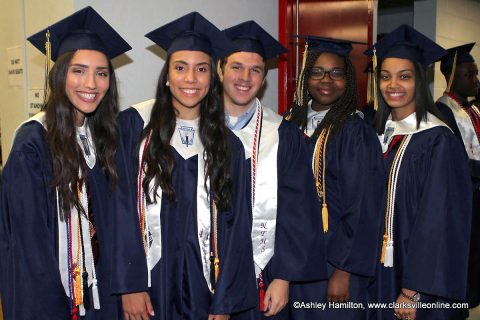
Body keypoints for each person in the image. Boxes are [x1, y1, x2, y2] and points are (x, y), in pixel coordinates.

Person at [0, 6, 148, 320]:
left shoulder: (101, 138)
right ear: (60, 74)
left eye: (102, 73)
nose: (91, 83)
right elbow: (28, 253)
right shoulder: (33, 145)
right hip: (55, 303)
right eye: (78, 70)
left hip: (101, 298)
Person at [118, 12, 257, 320]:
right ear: (167, 76)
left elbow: (237, 229)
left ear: (213, 77)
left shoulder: (229, 146)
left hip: (204, 284)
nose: (191, 79)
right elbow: (120, 210)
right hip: (149, 282)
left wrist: (225, 301)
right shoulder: (134, 129)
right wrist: (130, 285)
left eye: (201, 69)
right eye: (180, 68)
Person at [217, 21, 327, 319]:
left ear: (264, 78)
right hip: (206, 267)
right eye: (236, 67)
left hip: (263, 274)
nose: (245, 77)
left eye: (255, 70)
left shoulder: (283, 134)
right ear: (220, 70)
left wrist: (284, 277)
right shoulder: (197, 130)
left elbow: (298, 210)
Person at [365, 24, 472, 320]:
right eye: (385, 77)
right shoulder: (379, 135)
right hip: (378, 272)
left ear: (420, 80)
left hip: (414, 280)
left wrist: (413, 291)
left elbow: (437, 222)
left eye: (404, 76)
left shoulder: (437, 139)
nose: (393, 85)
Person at [285, 35, 384, 320]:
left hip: (332, 259)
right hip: (293, 257)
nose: (326, 80)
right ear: (306, 77)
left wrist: (344, 270)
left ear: (348, 79)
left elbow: (363, 207)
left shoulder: (354, 131)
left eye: (336, 73)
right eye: (317, 72)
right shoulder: (290, 122)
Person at [435, 42, 480, 313]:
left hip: (476, 198)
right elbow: (455, 163)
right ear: (451, 76)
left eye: (476, 73)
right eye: (469, 74)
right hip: (461, 200)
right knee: (461, 259)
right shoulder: (442, 112)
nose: (475, 80)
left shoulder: (472, 110)